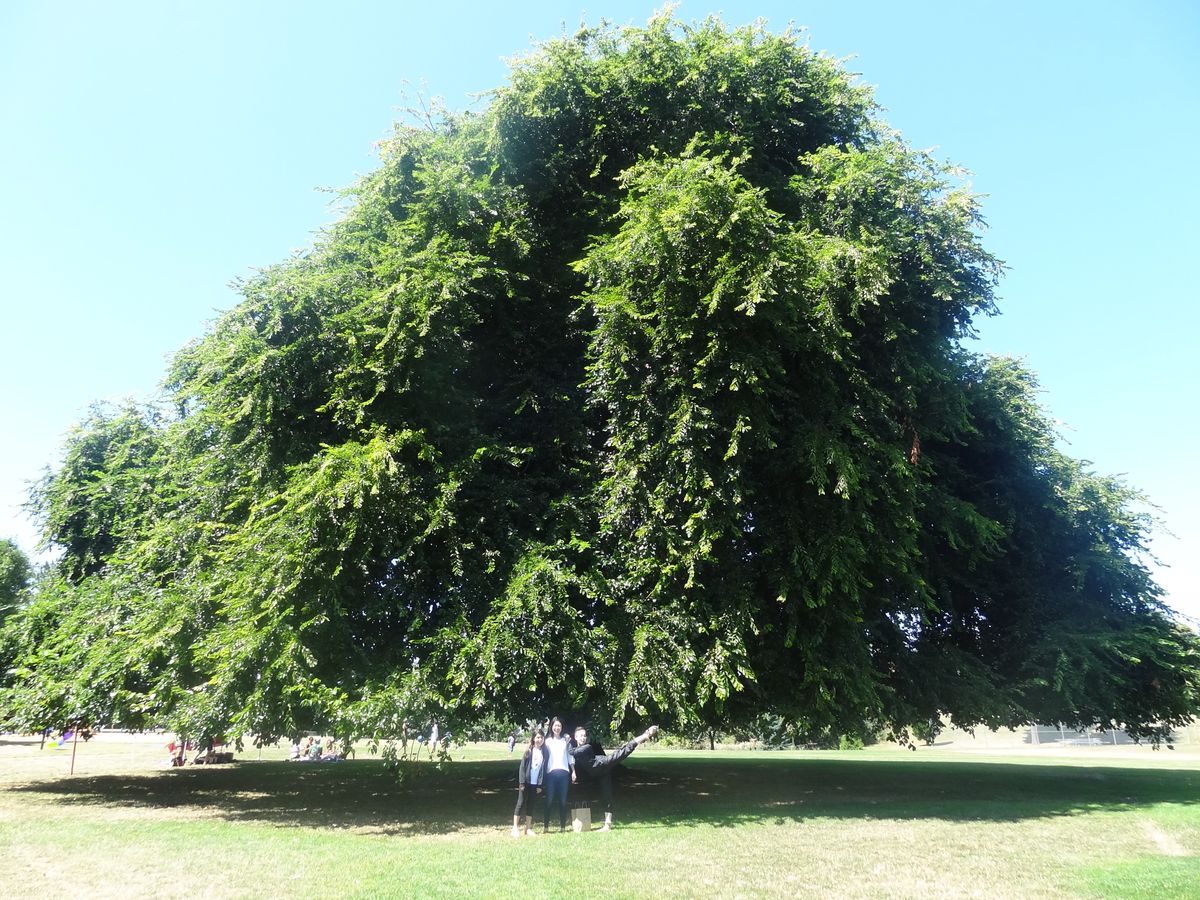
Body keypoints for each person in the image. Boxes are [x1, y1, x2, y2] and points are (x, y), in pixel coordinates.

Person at [571, 723, 659, 831]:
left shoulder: (586, 747)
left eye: (584, 735)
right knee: (606, 795)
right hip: (600, 772)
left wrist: (565, 742)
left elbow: (573, 752)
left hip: (603, 764)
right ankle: (607, 824)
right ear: (575, 737)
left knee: (623, 751)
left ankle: (645, 735)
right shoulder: (577, 749)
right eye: (581, 736)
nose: (583, 738)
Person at [542, 716, 576, 832]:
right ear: (551, 726)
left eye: (559, 726)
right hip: (551, 774)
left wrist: (573, 771)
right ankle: (546, 827)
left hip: (564, 774)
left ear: (562, 727)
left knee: (563, 801)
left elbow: (570, 756)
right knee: (549, 800)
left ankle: (562, 827)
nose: (557, 728)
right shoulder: (547, 741)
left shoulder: (565, 740)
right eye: (555, 725)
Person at [513, 728, 548, 837]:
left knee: (531, 804)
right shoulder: (529, 751)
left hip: (535, 784)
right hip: (526, 782)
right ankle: (515, 828)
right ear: (533, 738)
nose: (540, 739)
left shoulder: (544, 752)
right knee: (521, 803)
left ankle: (528, 828)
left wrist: (540, 785)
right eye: (537, 737)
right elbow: (522, 767)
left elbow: (542, 770)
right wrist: (522, 783)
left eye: (541, 737)